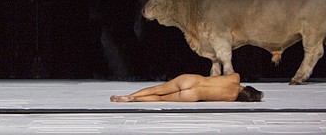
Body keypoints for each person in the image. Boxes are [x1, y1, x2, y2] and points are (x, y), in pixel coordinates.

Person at [110, 73, 263, 102]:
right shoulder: (231, 98)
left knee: (157, 88)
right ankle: (133, 100)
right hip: (194, 95)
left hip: (192, 80)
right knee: (160, 98)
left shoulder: (235, 78)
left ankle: (130, 96)